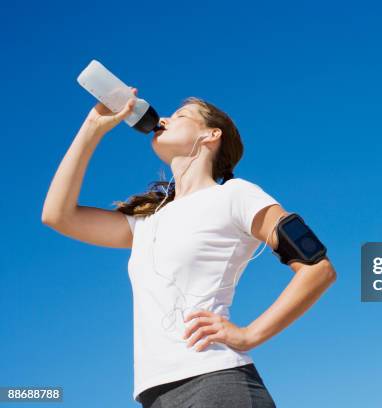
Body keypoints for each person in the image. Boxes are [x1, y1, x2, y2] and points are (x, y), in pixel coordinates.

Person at [41, 88, 337, 407]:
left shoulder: (235, 195)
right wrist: (92, 127)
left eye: (180, 115)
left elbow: (317, 268)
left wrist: (250, 334)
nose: (164, 119)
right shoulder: (146, 222)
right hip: (155, 395)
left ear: (211, 135)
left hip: (216, 384)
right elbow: (58, 215)